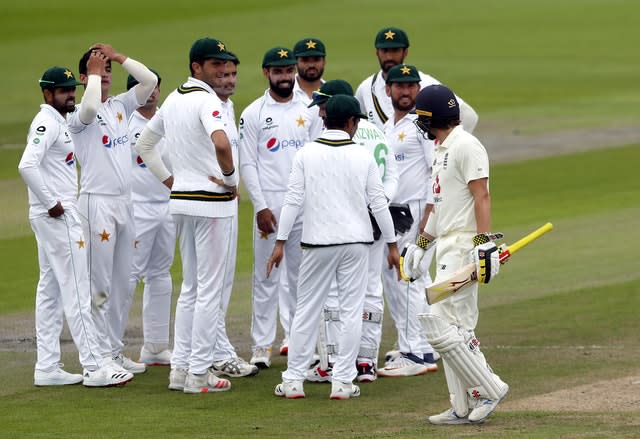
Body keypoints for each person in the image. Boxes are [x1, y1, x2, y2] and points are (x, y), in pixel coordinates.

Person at [268, 94, 401, 400]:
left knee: (306, 311)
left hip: (317, 243)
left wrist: (280, 241)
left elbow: (292, 201)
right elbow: (379, 204)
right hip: (357, 243)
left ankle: (292, 381)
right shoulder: (362, 155)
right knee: (352, 311)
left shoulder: (306, 153)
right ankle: (342, 382)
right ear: (352, 122)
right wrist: (392, 244)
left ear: (325, 118)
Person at [18, 64, 133, 387]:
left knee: (51, 290)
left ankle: (47, 366)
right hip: (58, 214)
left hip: (53, 214)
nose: (71, 95)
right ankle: (95, 366)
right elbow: (27, 164)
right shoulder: (47, 122)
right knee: (78, 290)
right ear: (47, 93)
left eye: (72, 89)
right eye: (64, 90)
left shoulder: (59, 121)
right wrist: (51, 202)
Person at [135, 37, 238, 393]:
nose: (223, 70)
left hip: (180, 202)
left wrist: (171, 181)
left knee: (191, 288)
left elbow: (144, 145)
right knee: (207, 290)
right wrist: (230, 180)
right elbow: (222, 144)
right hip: (211, 203)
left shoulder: (174, 99)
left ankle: (179, 370)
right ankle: (197, 374)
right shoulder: (207, 100)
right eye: (215, 65)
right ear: (196, 67)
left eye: (224, 64)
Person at [407, 84, 508, 424]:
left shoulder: (466, 146)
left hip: (464, 244)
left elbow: (482, 196)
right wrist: (421, 245)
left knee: (451, 326)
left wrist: (483, 242)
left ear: (430, 118)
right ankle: (461, 404)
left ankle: (489, 388)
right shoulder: (442, 149)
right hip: (447, 245)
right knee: (447, 328)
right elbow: (439, 206)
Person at [68, 43, 158, 375]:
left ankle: (114, 350)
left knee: (123, 284)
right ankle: (98, 357)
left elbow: (147, 82)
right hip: (97, 203)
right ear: (84, 77)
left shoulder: (121, 105)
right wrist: (92, 75)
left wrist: (120, 58)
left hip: (125, 204)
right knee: (99, 285)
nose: (105, 75)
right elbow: (91, 109)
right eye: (98, 70)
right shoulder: (77, 115)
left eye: (108, 71)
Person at [304, 80, 398, 384]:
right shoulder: (377, 130)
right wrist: (380, 206)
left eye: (323, 105)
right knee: (371, 289)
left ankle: (332, 362)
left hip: (345, 225)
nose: (320, 111)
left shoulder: (339, 136)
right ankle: (366, 361)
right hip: (377, 219)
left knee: (334, 292)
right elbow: (392, 176)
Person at [239, 46, 323, 369]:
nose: (286, 77)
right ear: (266, 73)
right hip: (270, 204)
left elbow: (317, 157)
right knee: (266, 276)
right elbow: (247, 163)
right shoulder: (253, 113)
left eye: (289, 71)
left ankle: (299, 341)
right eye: (279, 71)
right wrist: (259, 206)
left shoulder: (312, 108)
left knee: (303, 277)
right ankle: (261, 346)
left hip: (303, 203)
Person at [377, 64, 438, 377]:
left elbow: (435, 170)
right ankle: (421, 344)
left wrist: (429, 213)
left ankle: (414, 352)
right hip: (395, 210)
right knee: (406, 277)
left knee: (408, 276)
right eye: (399, 86)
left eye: (411, 86)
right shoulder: (389, 124)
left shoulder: (421, 126)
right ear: (388, 90)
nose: (405, 91)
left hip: (415, 210)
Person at [208, 52, 259, 378]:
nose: (228, 80)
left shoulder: (227, 106)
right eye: (222, 74)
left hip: (225, 201)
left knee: (220, 279)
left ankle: (205, 350)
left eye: (232, 74)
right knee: (213, 281)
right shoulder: (206, 107)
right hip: (210, 201)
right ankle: (215, 352)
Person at [126, 70, 175, 367]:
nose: (152, 92)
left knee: (160, 273)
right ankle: (111, 351)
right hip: (137, 207)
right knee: (128, 276)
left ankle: (156, 346)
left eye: (157, 86)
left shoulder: (168, 119)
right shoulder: (125, 123)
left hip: (167, 205)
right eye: (145, 87)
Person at [355, 27, 478, 133]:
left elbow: (468, 116)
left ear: (405, 52)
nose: (389, 57)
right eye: (385, 50)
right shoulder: (366, 88)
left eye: (395, 50)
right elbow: (354, 124)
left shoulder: (426, 83)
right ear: (377, 52)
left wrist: (448, 147)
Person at [292, 37, 326, 102]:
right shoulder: (280, 94)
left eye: (316, 60)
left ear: (324, 62)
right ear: (295, 62)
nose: (311, 65)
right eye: (305, 60)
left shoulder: (334, 93)